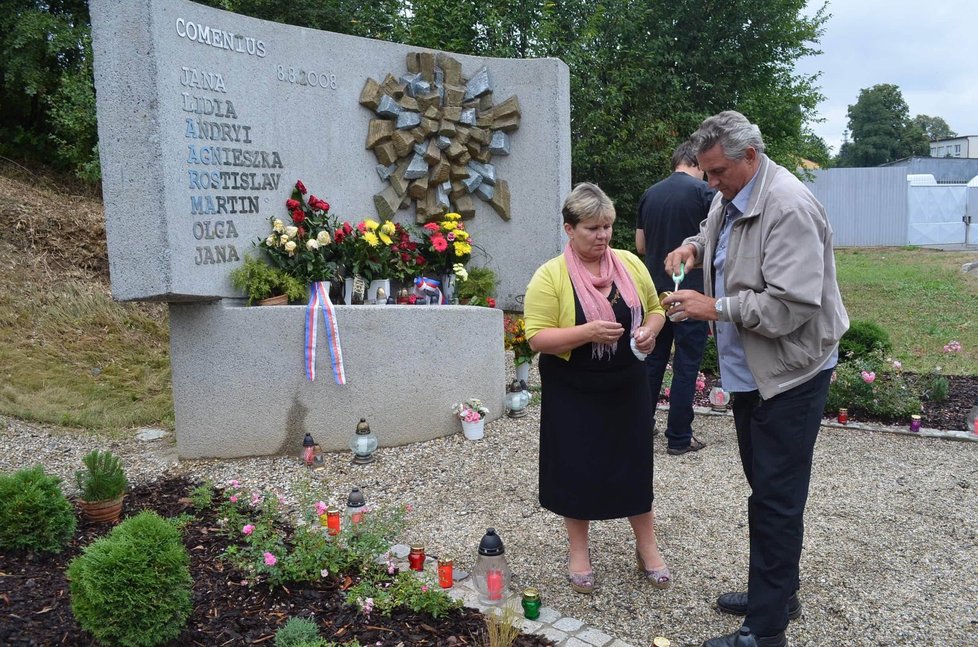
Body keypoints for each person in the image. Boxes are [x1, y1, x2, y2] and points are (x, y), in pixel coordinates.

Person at [661, 111, 849, 647]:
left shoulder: (788, 206)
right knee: (767, 489)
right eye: (706, 172)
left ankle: (766, 631)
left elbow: (793, 304)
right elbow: (716, 226)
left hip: (790, 374)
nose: (710, 184)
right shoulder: (734, 191)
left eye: (717, 172)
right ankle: (778, 592)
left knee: (776, 498)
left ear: (751, 156)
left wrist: (713, 306)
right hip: (756, 375)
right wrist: (693, 248)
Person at [524, 182, 669, 594]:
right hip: (574, 388)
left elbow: (656, 309)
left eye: (607, 226)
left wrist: (650, 331)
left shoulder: (629, 264)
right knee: (577, 467)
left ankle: (647, 547)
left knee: (634, 464)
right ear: (569, 229)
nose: (603, 236)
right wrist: (586, 332)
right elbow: (536, 338)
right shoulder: (550, 275)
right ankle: (579, 552)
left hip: (626, 384)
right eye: (592, 228)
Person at [636, 140, 716, 455]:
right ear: (698, 163)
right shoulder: (705, 194)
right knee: (686, 365)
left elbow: (641, 245)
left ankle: (640, 429)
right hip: (691, 294)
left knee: (653, 361)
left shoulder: (649, 194)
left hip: (655, 291)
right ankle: (679, 437)